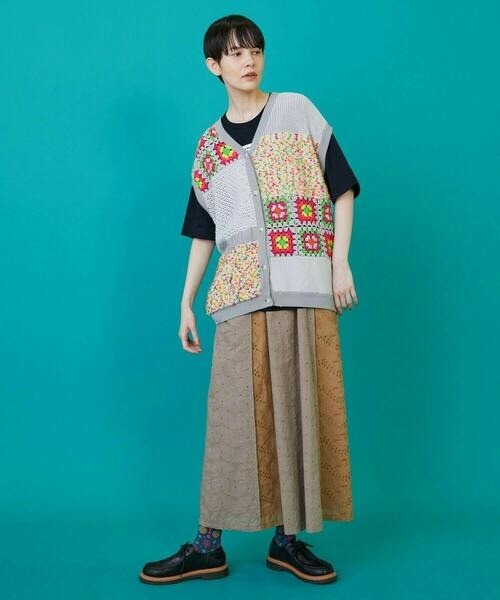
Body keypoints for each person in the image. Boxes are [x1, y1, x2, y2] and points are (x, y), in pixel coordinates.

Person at [139, 13, 361, 586]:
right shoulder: (209, 149)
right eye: (236, 53)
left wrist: (339, 262)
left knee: (300, 413)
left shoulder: (297, 111)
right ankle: (207, 546)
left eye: (255, 49)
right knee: (234, 418)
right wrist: (185, 302)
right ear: (213, 66)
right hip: (239, 293)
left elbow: (341, 187)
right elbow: (203, 231)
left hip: (307, 286)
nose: (249, 60)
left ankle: (288, 542)